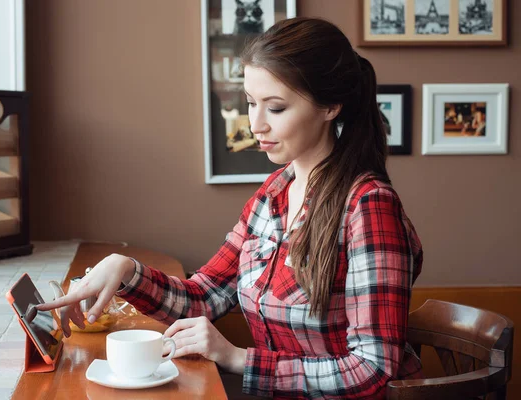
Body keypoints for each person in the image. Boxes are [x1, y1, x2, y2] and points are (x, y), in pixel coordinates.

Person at [38, 17, 423, 399]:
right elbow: (204, 297)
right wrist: (123, 271)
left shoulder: (369, 207)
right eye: (251, 103)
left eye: (275, 108)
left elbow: (373, 369)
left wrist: (238, 358)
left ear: (330, 107)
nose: (255, 124)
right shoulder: (274, 193)